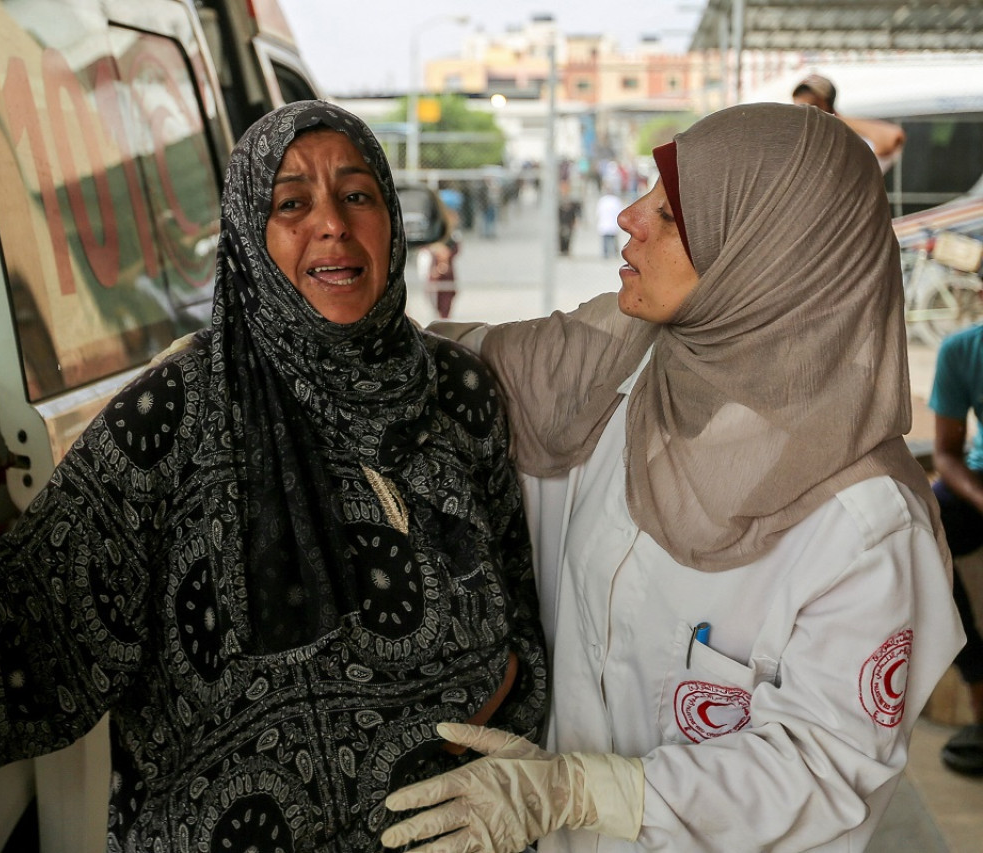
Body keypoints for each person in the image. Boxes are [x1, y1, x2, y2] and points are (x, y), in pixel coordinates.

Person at [0, 101, 548, 851]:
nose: (332, 225)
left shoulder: (457, 394)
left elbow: (515, 596)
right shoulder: (177, 413)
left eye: (358, 195)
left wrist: (519, 749)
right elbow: (45, 602)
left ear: (392, 220)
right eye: (291, 203)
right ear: (246, 235)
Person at [380, 102, 963, 852]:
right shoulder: (620, 370)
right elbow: (448, 366)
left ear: (767, 252)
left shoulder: (867, 524)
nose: (627, 216)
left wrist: (588, 790)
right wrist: (243, 360)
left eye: (672, 211)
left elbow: (825, 768)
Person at [927, 322, 983, 775]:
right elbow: (945, 455)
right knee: (928, 529)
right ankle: (976, 673)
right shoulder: (962, 351)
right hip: (979, 484)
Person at [792, 73, 905, 174]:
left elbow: (891, 136)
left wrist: (834, 119)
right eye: (799, 107)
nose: (806, 114)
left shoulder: (848, 140)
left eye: (812, 106)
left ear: (829, 107)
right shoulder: (796, 142)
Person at [418, 202, 461, 319]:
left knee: (447, 295)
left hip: (447, 272)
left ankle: (444, 316)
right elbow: (425, 246)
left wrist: (446, 254)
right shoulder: (434, 232)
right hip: (434, 270)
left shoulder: (453, 235)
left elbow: (456, 248)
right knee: (434, 294)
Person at [595, 188, 622, 260]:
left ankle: (606, 254)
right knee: (613, 239)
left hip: (605, 223)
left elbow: (598, 213)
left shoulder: (602, 201)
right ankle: (615, 253)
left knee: (606, 240)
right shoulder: (616, 200)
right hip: (612, 223)